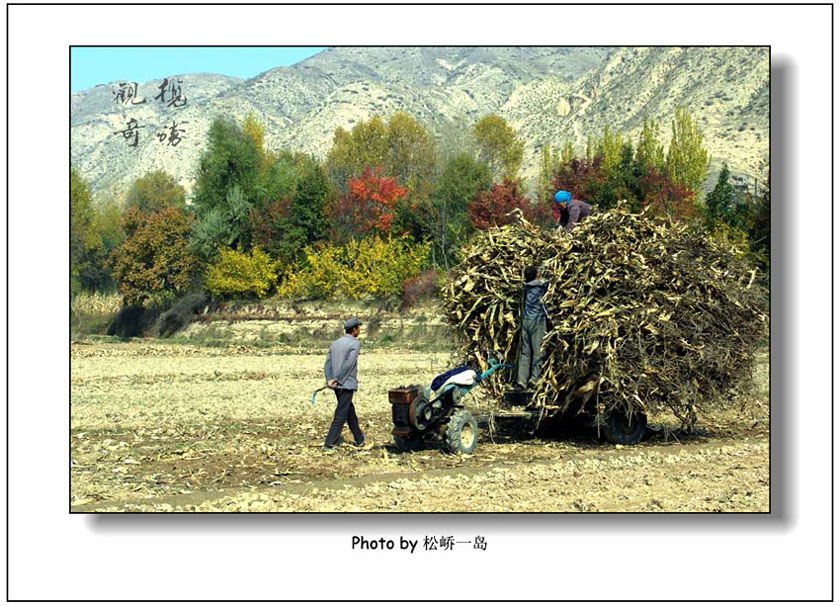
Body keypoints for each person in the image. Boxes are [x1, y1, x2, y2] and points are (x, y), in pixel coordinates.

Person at [323, 318, 365, 452]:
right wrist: (339, 379)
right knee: (341, 414)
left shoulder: (335, 343)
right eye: (358, 327)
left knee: (349, 411)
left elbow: (327, 363)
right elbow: (349, 364)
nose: (359, 330)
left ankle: (360, 439)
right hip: (346, 384)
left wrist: (330, 379)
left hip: (336, 385)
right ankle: (329, 443)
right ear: (354, 330)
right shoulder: (355, 344)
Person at [517, 266, 549, 391]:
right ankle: (534, 379)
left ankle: (521, 380)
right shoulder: (541, 285)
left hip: (526, 321)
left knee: (525, 353)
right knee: (538, 351)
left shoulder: (526, 285)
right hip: (537, 321)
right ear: (537, 275)